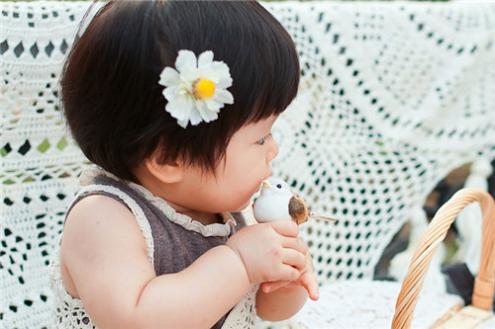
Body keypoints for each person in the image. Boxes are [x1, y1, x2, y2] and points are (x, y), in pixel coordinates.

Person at [50, 1, 319, 328]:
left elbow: (263, 310)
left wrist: (284, 279)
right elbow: (136, 321)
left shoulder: (220, 208)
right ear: (169, 158)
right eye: (261, 138)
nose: (273, 149)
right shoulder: (104, 219)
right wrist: (239, 263)